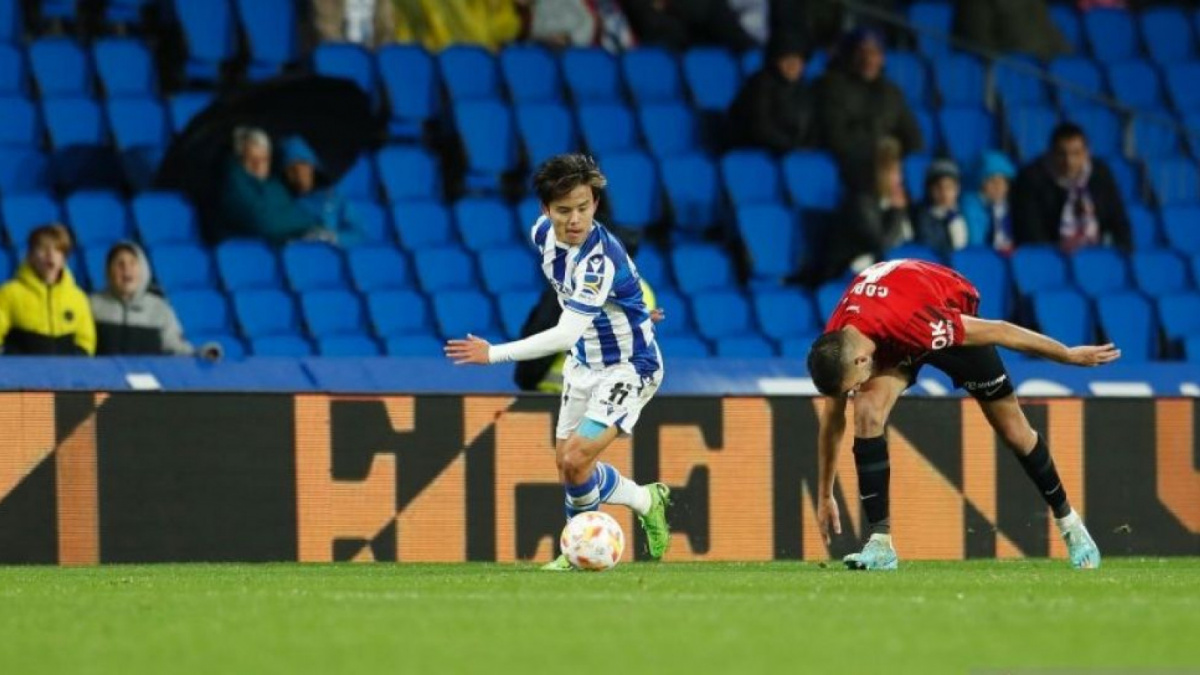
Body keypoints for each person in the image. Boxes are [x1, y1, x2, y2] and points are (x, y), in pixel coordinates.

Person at [806, 259, 1118, 571]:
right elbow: (833, 421)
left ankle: (1071, 524)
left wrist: (1066, 354)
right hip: (893, 334)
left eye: (855, 382)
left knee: (1014, 431)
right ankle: (880, 544)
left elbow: (1000, 330)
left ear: (862, 361)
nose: (857, 388)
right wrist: (825, 494)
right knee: (866, 410)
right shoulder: (837, 342)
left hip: (936, 312)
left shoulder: (915, 322)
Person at [444, 153, 671, 570]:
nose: (574, 219)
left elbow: (565, 334)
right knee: (569, 467)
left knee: (576, 459)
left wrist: (493, 353)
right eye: (563, 210)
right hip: (585, 362)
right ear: (545, 211)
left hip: (629, 366)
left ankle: (573, 553)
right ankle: (646, 498)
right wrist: (634, 309)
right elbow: (600, 302)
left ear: (595, 205)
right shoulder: (541, 235)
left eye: (583, 208)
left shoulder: (598, 259)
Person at [816, 28, 923, 191]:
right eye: (862, 52)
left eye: (875, 53)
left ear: (883, 58)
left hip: (888, 167)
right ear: (851, 54)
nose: (869, 59)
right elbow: (836, 137)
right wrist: (876, 151)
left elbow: (914, 138)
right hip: (852, 169)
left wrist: (892, 158)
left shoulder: (891, 92)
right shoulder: (832, 87)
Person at [1011, 122, 1132, 253]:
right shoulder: (1031, 178)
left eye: (1076, 153)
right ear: (1051, 153)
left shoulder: (1101, 174)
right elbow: (1031, 230)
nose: (1069, 161)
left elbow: (1118, 219)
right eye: (1062, 154)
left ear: (1087, 153)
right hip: (1052, 256)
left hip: (1095, 253)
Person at [89, 242, 221, 359]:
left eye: (132, 263)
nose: (126, 269)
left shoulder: (159, 309)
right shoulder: (92, 305)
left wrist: (200, 354)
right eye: (120, 264)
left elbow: (174, 347)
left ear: (143, 270)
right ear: (108, 271)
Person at [822, 138, 913, 281]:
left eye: (899, 172)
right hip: (846, 271)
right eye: (894, 172)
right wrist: (897, 211)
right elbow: (881, 244)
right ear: (880, 174)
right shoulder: (861, 203)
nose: (899, 179)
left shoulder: (887, 201)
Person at [216, 127, 324, 244]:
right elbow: (265, 224)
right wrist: (308, 226)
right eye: (252, 160)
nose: (258, 167)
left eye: (264, 160)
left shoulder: (275, 185)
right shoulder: (232, 184)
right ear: (239, 160)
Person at [0, 224, 95, 355]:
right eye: (43, 248)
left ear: (64, 259)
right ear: (30, 255)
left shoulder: (78, 298)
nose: (50, 255)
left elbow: (86, 342)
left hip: (66, 373)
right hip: (22, 373)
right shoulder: (9, 293)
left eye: (57, 250)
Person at [727, 33, 815, 153]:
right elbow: (760, 127)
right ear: (776, 60)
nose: (793, 66)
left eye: (798, 61)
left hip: (790, 149)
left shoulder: (803, 88)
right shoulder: (759, 85)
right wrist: (790, 146)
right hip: (758, 149)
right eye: (787, 59)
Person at [280, 136, 364, 246]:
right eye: (292, 169)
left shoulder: (334, 198)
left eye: (304, 165)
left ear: (312, 167)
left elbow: (360, 236)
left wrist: (334, 238)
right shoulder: (281, 203)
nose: (299, 175)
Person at [961, 151, 1016, 254]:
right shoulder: (970, 206)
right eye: (992, 181)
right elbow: (975, 244)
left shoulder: (1009, 206)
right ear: (981, 183)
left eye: (1002, 182)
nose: (998, 187)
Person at [913, 158, 969, 259]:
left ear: (957, 189)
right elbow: (930, 246)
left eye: (949, 187)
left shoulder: (965, 213)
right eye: (938, 188)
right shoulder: (923, 217)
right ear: (929, 190)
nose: (944, 193)